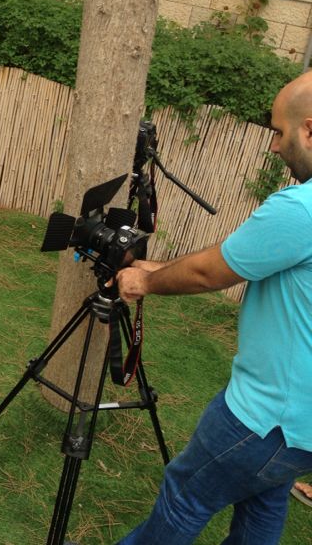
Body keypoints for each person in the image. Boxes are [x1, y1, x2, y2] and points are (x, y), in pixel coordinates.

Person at [115, 72, 312, 544]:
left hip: (263, 419)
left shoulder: (301, 210)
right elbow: (250, 263)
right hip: (301, 433)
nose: (274, 146)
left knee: (185, 498)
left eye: (279, 132)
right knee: (263, 502)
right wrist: (155, 266)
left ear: (310, 129)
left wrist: (145, 280)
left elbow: (210, 272)